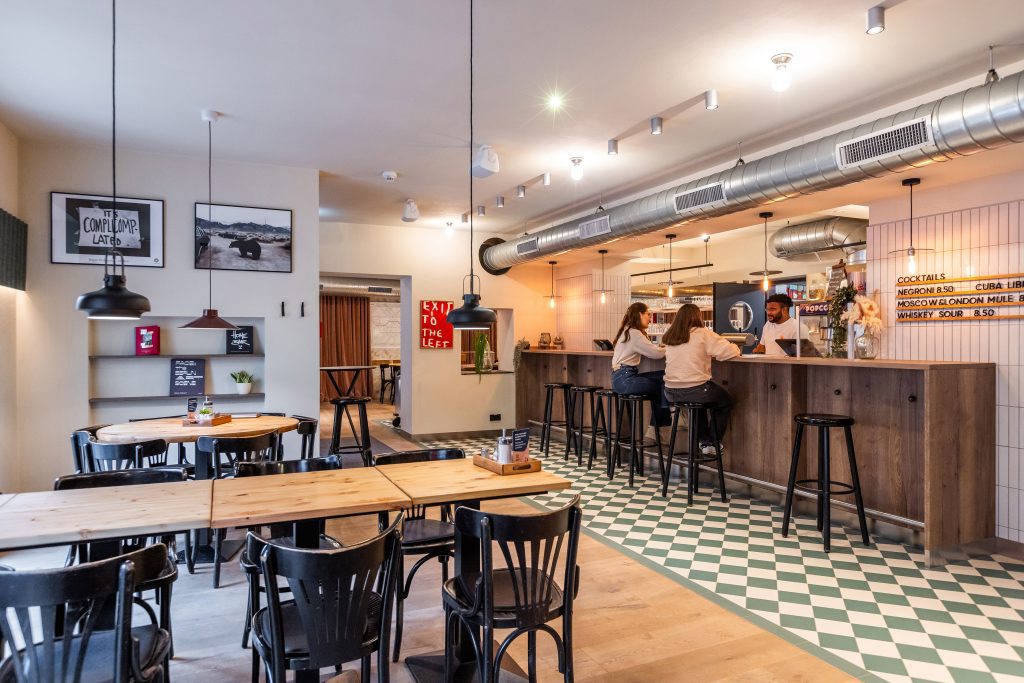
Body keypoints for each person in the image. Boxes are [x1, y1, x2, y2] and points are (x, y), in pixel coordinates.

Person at [662, 303, 739, 453]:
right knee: (725, 402)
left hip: (670, 392)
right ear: (698, 316)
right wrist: (736, 347)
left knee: (699, 404)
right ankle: (712, 442)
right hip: (696, 390)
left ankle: (704, 442)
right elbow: (728, 351)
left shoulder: (671, 336)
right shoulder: (703, 333)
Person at [610, 302, 671, 431]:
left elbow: (652, 350)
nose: (650, 319)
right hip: (626, 380)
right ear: (640, 314)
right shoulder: (635, 334)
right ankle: (660, 426)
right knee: (665, 382)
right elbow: (656, 354)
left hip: (621, 378)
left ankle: (658, 428)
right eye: (648, 314)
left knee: (665, 376)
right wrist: (672, 349)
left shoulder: (628, 331)